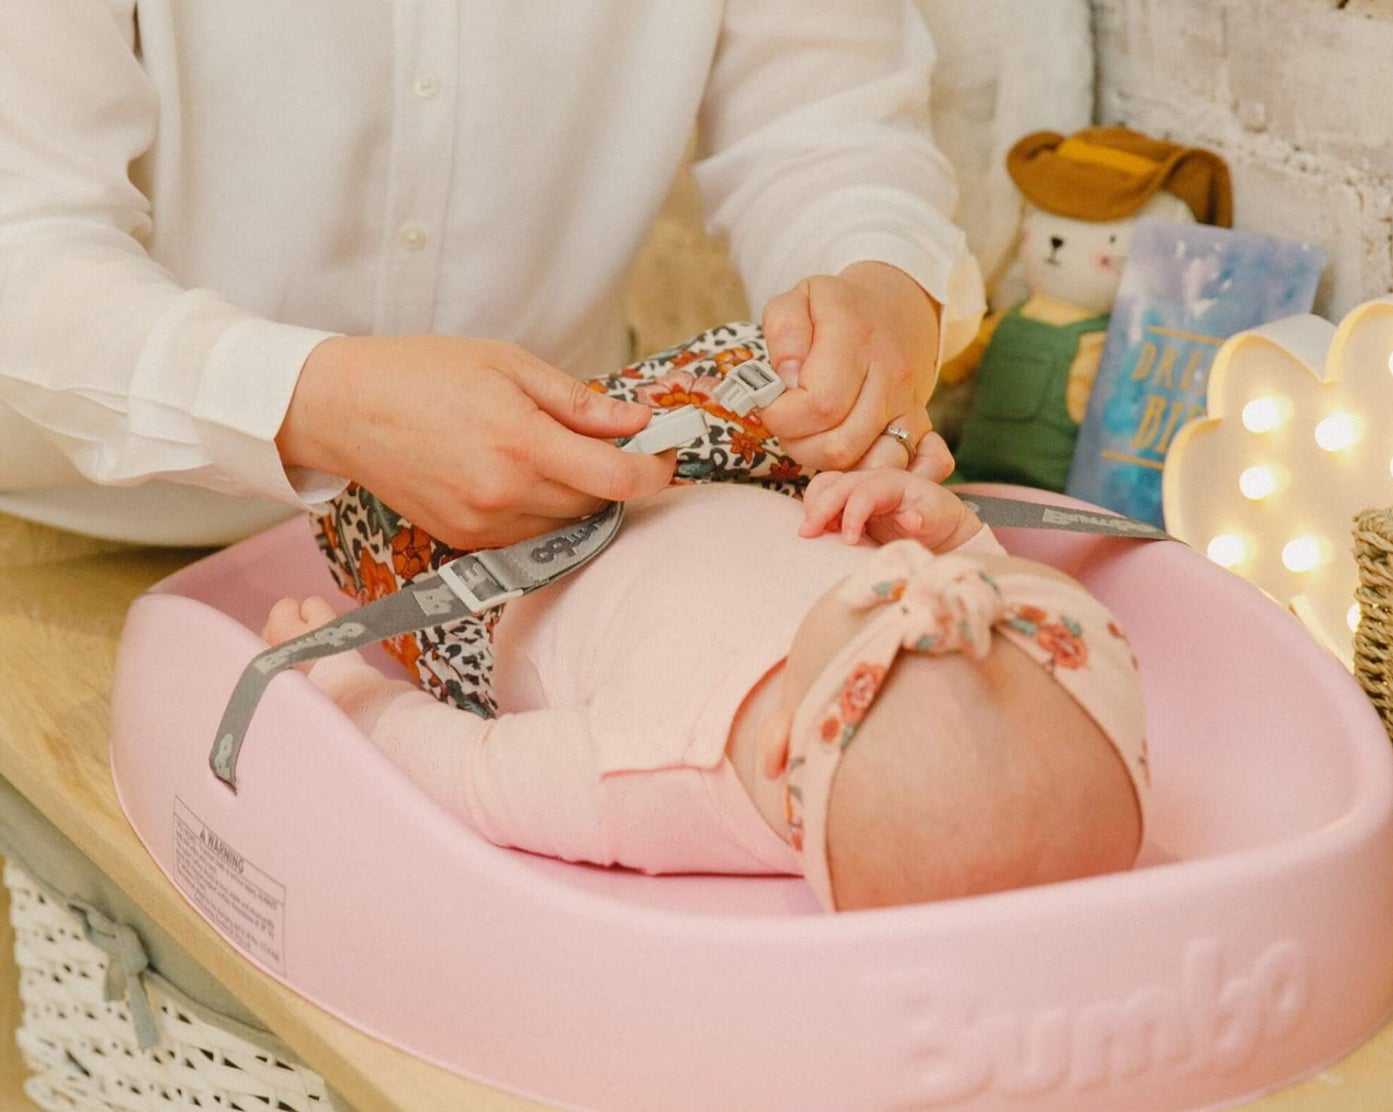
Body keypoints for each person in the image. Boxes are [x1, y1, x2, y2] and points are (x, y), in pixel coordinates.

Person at [0, 2, 983, 548]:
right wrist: (313, 401)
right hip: (76, 535)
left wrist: (882, 283)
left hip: (544, 532)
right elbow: (24, 244)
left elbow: (824, 127)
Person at [262, 470, 1149, 911]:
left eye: (884, 581)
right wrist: (946, 525)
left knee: (356, 488)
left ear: (778, 749)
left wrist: (343, 691)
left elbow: (471, 769)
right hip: (701, 472)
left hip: (492, 584)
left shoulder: (645, 771)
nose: (910, 568)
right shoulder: (943, 633)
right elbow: (969, 610)